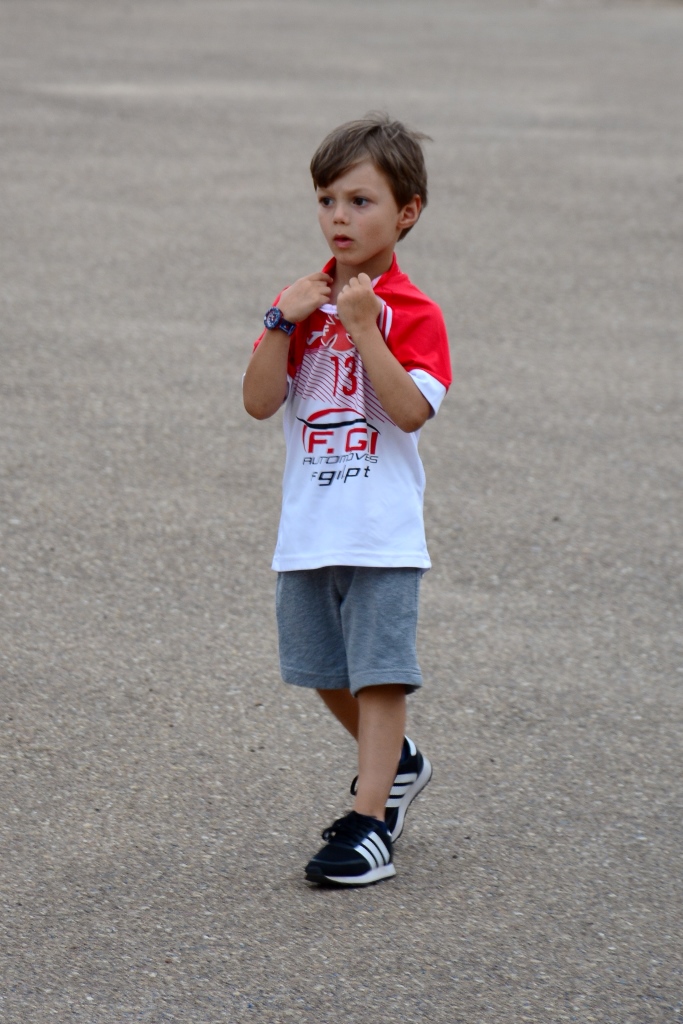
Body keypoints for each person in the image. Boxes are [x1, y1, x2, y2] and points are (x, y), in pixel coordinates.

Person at [243, 114, 452, 886]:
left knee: (378, 675)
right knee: (319, 668)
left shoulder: (411, 312)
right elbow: (260, 403)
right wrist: (277, 323)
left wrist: (366, 330)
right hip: (308, 526)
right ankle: (397, 766)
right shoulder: (298, 302)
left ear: (406, 212)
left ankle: (370, 824)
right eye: (327, 199)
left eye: (361, 201)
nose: (340, 216)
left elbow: (408, 409)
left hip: (379, 529)